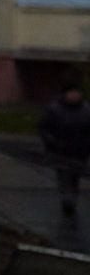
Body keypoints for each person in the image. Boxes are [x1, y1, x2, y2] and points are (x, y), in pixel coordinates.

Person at [45, 82, 90, 226]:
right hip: (61, 150)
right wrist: (52, 142)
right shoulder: (54, 109)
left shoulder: (86, 110)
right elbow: (45, 128)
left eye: (77, 92)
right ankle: (67, 200)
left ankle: (72, 199)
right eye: (72, 93)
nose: (75, 95)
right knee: (64, 175)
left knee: (75, 176)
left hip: (80, 151)